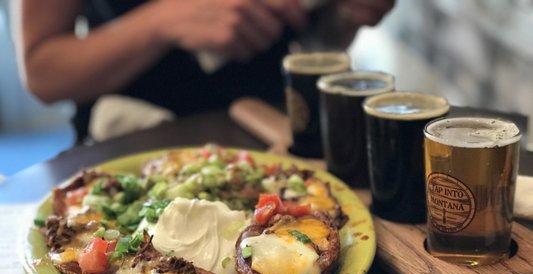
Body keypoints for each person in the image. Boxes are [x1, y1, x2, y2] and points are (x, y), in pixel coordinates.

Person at [13, 0, 394, 141]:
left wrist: (345, 17)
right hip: (129, 146)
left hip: (271, 133)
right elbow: (43, 70)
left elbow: (316, 37)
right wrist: (163, 20)